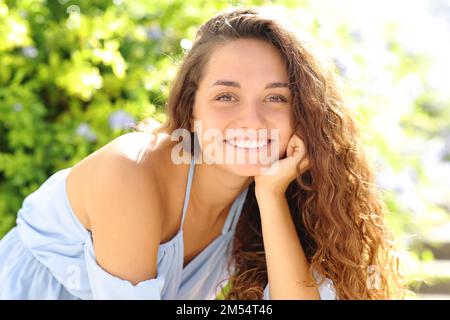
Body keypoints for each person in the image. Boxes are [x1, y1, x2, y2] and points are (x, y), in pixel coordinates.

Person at [0, 6, 405, 300]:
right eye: (226, 96)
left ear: (303, 115)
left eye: (275, 97)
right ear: (191, 109)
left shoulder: (262, 197)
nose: (251, 119)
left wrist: (270, 194)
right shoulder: (130, 175)